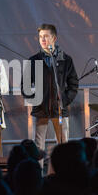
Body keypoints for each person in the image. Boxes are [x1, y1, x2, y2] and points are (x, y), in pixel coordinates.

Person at [22, 24, 79, 171]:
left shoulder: (66, 60)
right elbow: (25, 86)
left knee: (62, 145)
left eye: (46, 36)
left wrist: (64, 101)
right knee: (38, 145)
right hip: (41, 110)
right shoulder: (34, 60)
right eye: (40, 37)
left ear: (54, 38)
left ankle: (61, 174)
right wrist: (36, 99)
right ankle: (38, 175)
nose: (43, 39)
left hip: (59, 109)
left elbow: (73, 84)